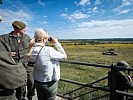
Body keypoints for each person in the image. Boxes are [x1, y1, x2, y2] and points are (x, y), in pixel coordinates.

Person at [0, 20, 35, 100]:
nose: (25, 30)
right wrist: (7, 53)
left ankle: (30, 96)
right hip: (15, 65)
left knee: (31, 81)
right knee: (20, 84)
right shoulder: (4, 38)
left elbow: (37, 43)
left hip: (27, 64)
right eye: (23, 28)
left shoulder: (26, 37)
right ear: (16, 29)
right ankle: (21, 97)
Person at [29, 28, 67, 100]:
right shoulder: (48, 50)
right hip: (49, 82)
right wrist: (56, 43)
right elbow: (64, 56)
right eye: (47, 38)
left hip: (37, 81)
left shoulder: (31, 49)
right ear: (44, 39)